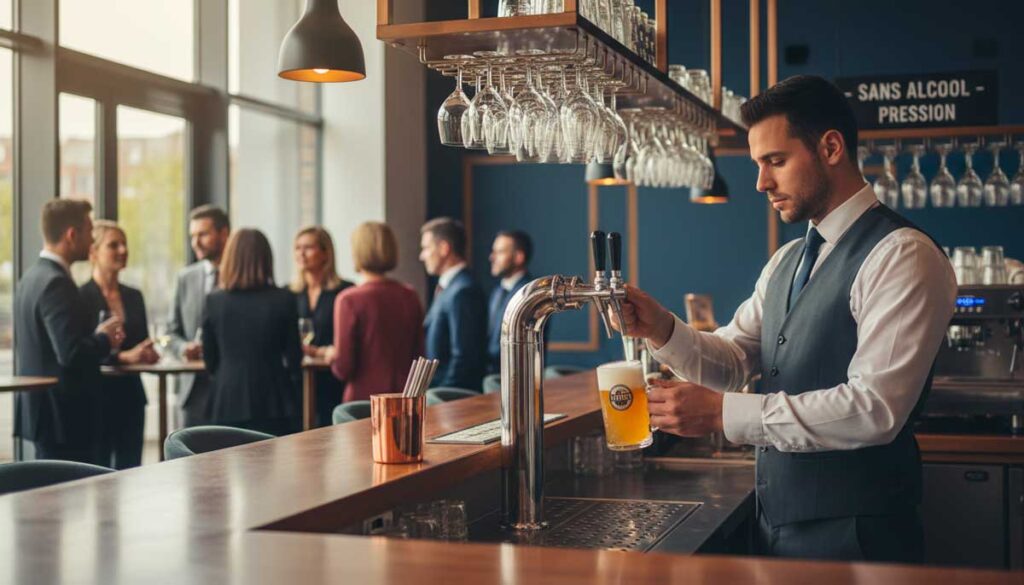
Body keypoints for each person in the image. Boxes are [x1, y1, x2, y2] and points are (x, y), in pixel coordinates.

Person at [614, 75, 956, 563]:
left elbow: (874, 408)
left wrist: (722, 414)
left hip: (861, 540)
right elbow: (734, 360)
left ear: (832, 147)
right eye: (758, 164)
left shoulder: (901, 255)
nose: (761, 183)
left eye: (776, 161)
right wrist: (661, 328)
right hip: (777, 528)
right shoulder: (788, 260)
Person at [13, 199, 124, 462]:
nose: (91, 240)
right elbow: (70, 353)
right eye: (88, 232)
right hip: (63, 417)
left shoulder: (30, 278)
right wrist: (104, 338)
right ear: (71, 235)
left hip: (44, 413)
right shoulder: (56, 284)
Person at [202, 229, 302, 435]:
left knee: (224, 465)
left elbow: (210, 360)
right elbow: (294, 357)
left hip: (226, 397)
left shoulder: (214, 301)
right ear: (266, 259)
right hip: (274, 398)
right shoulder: (284, 299)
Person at [80, 220, 160, 469]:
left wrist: (146, 353)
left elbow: (141, 341)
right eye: (113, 245)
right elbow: (83, 349)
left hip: (131, 396)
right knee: (98, 472)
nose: (123, 250)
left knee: (131, 469)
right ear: (93, 252)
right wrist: (125, 357)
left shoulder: (134, 296)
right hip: (97, 398)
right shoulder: (80, 296)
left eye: (124, 244)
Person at [331, 222, 424, 402]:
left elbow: (344, 367)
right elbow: (418, 353)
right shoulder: (410, 295)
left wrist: (331, 357)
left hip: (362, 403)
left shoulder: (348, 300)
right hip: (404, 399)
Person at [167, 204, 230, 427]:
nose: (196, 242)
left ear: (224, 234)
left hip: (230, 387)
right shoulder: (185, 278)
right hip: (193, 390)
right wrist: (183, 348)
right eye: (193, 236)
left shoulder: (241, 277)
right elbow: (170, 332)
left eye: (203, 234)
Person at [290, 226, 354, 426]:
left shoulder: (345, 292)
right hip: (297, 382)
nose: (301, 253)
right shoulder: (288, 293)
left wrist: (320, 351)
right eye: (297, 248)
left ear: (325, 253)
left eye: (308, 247)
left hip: (332, 380)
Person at [419, 217, 486, 390]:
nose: (422, 256)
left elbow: (464, 357)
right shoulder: (448, 287)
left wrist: (442, 396)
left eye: (426, 248)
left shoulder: (463, 290)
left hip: (450, 401)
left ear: (444, 248)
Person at [486, 230, 533, 374]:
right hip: (491, 377)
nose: (491, 257)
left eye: (499, 252)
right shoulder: (497, 292)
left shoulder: (529, 294)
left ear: (519, 257)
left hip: (517, 378)